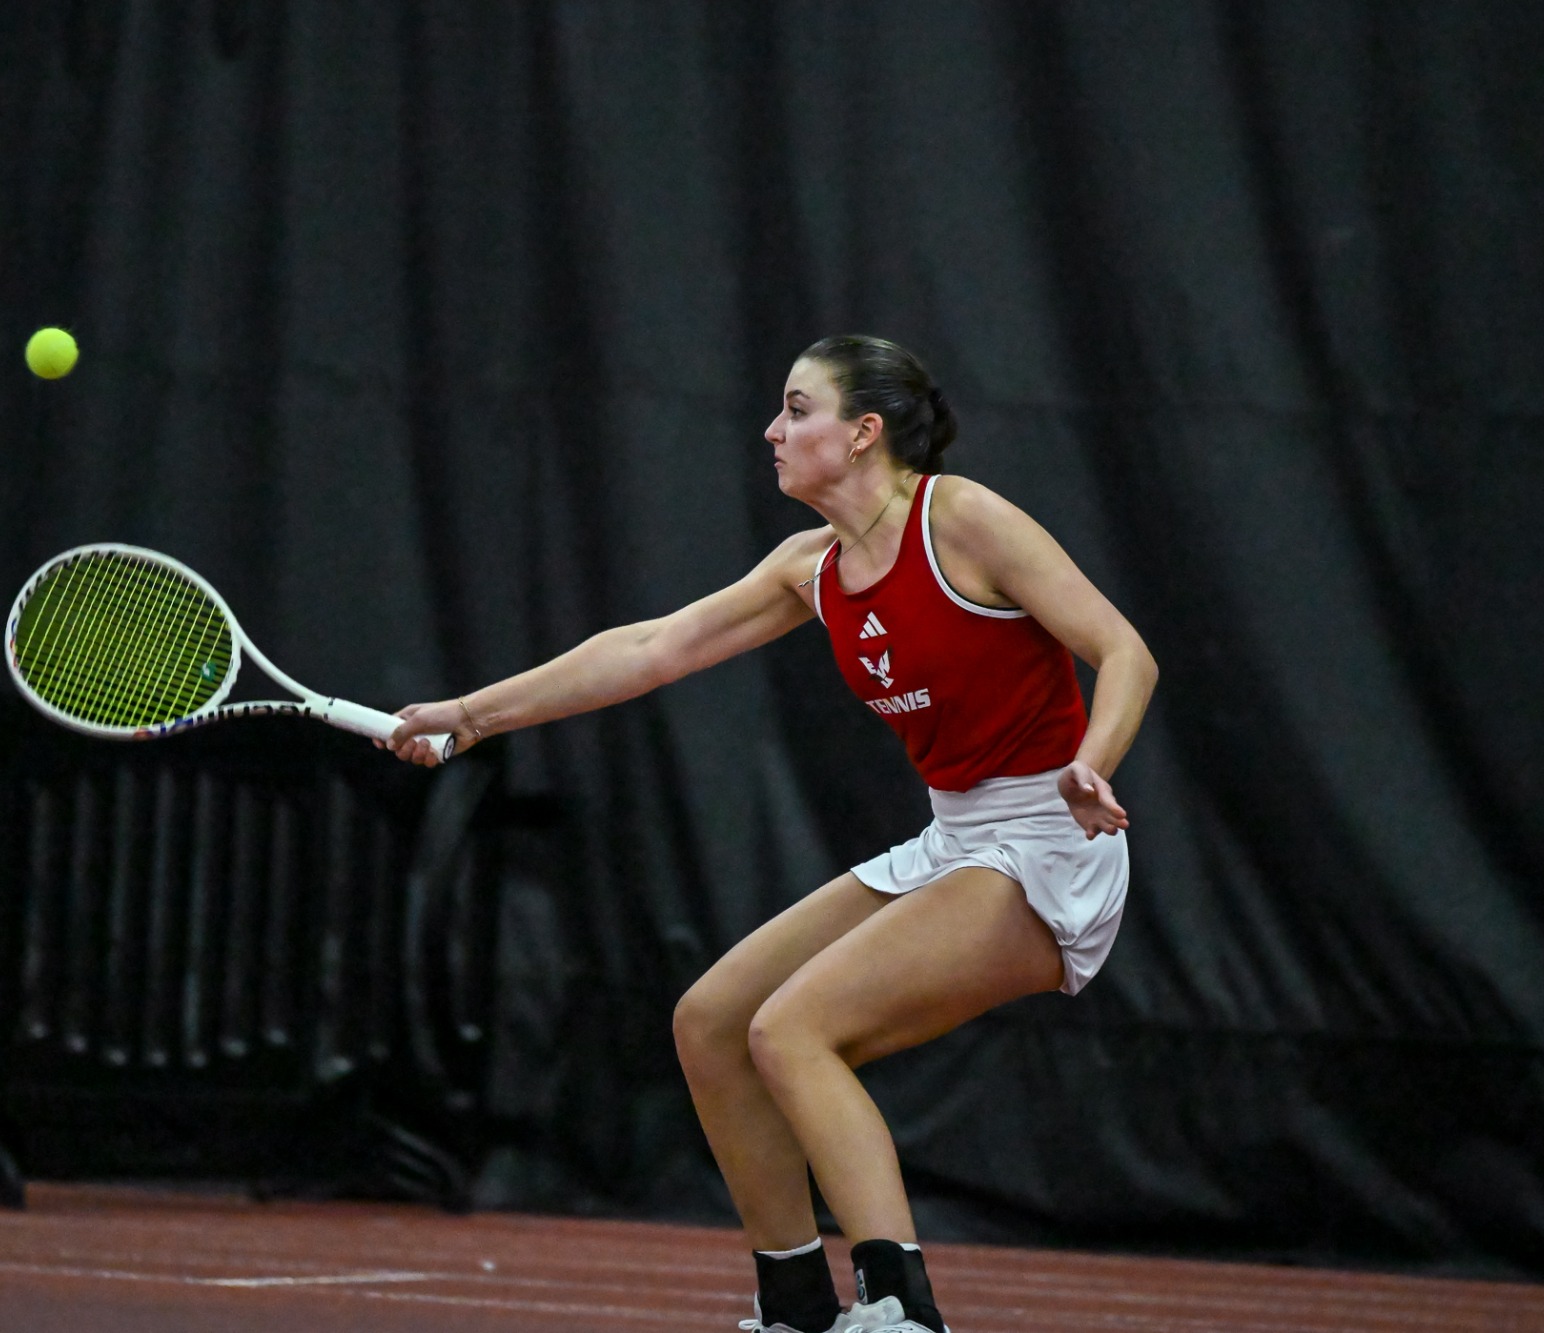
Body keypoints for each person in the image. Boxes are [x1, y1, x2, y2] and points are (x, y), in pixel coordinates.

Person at [385, 335, 1158, 1333]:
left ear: (863, 432)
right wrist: (470, 714)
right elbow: (649, 647)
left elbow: (1122, 649)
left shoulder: (961, 519)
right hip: (954, 837)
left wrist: (1092, 760)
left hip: (1049, 841)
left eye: (797, 409)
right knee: (711, 1023)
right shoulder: (810, 568)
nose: (771, 430)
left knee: (792, 1028)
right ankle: (794, 1307)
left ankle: (901, 1311)